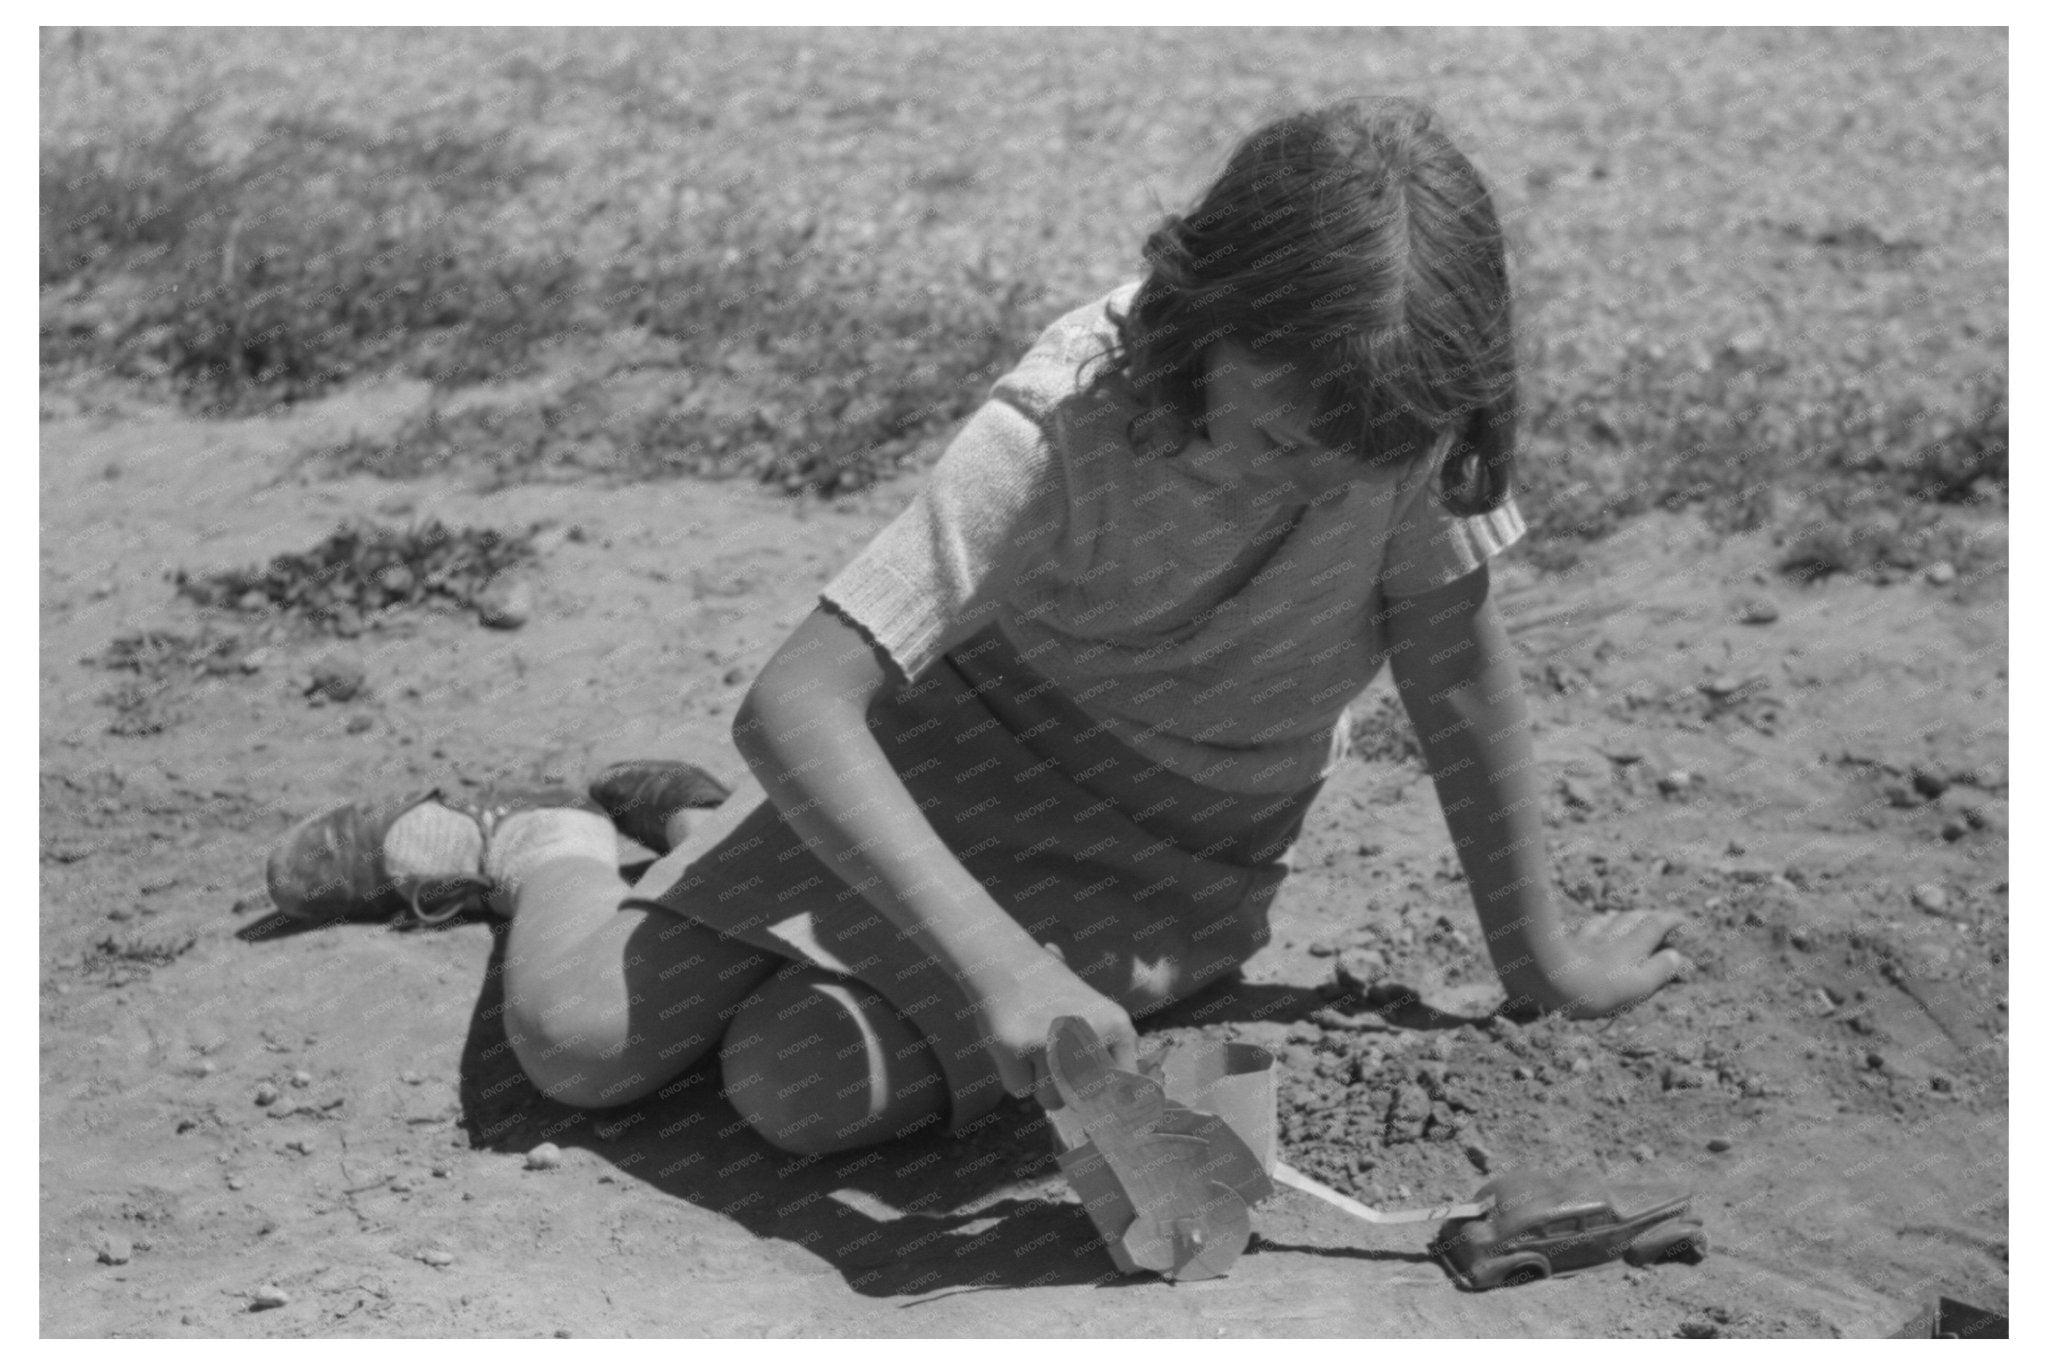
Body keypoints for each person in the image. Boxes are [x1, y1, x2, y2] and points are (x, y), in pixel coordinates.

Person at [267, 96, 1688, 1159]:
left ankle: (699, 835)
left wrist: (1539, 958)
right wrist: (1000, 963)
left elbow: (1455, 674)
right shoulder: (1071, 413)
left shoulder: (1398, 418)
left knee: (792, 1083)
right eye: (1277, 441)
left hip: (1174, 860)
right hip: (958, 770)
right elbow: (797, 702)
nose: (1318, 487)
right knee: (579, 1044)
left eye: (1356, 467)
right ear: (1205, 328)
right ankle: (552, 841)